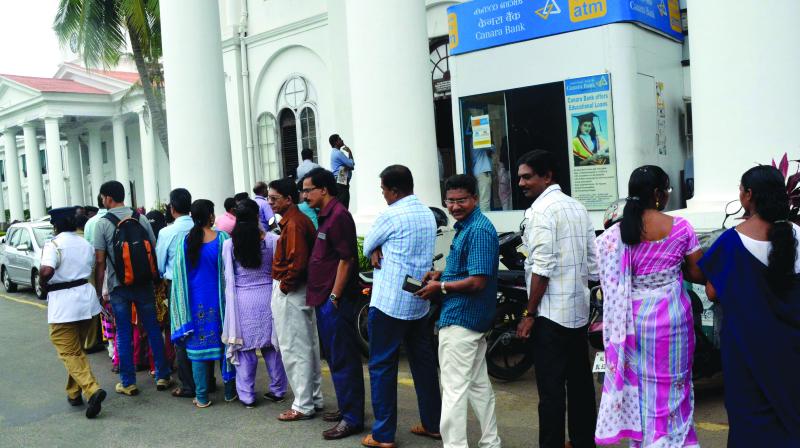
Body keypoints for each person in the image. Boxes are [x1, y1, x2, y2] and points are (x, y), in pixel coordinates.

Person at [594, 166, 705, 447]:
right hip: (672, 319)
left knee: (641, 388)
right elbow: (697, 273)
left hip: (632, 322)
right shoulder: (680, 227)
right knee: (675, 385)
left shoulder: (616, 233)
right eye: (667, 191)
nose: (667, 196)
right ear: (657, 194)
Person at [699, 165, 800, 446]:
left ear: (749, 196)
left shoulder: (732, 241)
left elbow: (712, 291)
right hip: (792, 350)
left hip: (747, 353)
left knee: (751, 424)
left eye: (740, 189)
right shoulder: (797, 234)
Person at [515, 150, 598, 448]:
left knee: (550, 393)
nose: (521, 183)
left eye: (527, 177)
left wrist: (529, 313)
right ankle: (582, 442)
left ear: (547, 176)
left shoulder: (541, 212)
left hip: (549, 316)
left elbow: (542, 267)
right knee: (580, 387)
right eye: (520, 177)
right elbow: (593, 264)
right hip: (577, 311)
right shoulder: (577, 207)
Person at [415, 174, 501, 448]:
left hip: (462, 319)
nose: (454, 206)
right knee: (478, 386)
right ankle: (490, 442)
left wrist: (440, 287)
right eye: (450, 201)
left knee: (453, 391)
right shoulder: (468, 227)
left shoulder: (478, 230)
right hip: (471, 320)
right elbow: (469, 270)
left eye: (461, 200)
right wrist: (442, 273)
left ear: (475, 199)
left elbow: (478, 281)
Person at [361, 165, 442, 448]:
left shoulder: (390, 215)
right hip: (418, 300)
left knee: (382, 366)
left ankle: (383, 435)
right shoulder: (427, 213)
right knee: (424, 364)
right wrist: (376, 249)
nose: (382, 195)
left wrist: (373, 248)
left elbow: (366, 245)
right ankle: (433, 423)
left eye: (383, 189)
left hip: (389, 303)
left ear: (394, 190)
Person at [93, 181, 172, 396]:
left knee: (124, 332)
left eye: (103, 197)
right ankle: (163, 375)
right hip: (144, 283)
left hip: (119, 286)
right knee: (153, 327)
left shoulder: (103, 224)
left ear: (108, 198)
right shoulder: (140, 218)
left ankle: (128, 382)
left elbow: (100, 261)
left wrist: (99, 290)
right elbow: (153, 248)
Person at [304, 167, 365, 440]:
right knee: (335, 358)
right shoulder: (325, 216)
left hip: (335, 301)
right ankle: (345, 408)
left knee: (344, 359)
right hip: (325, 298)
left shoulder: (339, 216)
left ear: (324, 189)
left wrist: (334, 296)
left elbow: (346, 259)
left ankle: (352, 418)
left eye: (308, 190)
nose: (304, 195)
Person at [221, 198, 288, 408]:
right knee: (271, 348)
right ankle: (278, 390)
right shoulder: (272, 240)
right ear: (257, 216)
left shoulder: (229, 244)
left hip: (242, 300)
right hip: (268, 298)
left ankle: (247, 396)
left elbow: (228, 275)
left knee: (245, 351)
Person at [40, 206, 106, 419]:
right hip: (86, 302)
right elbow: (95, 267)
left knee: (68, 352)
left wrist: (42, 281)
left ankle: (92, 389)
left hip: (64, 305)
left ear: (57, 224)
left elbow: (47, 270)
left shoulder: (54, 244)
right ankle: (73, 393)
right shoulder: (85, 243)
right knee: (76, 350)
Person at [268, 177, 325, 422]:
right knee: (307, 345)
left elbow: (297, 262)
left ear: (288, 199)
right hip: (297, 289)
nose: (270, 202)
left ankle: (303, 404)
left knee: (294, 348)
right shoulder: (296, 221)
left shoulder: (293, 224)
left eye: (274, 198)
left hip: (292, 290)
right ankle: (313, 398)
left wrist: (285, 286)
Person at [169, 199, 236, 408]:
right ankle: (229, 392)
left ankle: (202, 396)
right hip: (220, 302)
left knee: (198, 351)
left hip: (194, 303)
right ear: (211, 216)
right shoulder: (223, 238)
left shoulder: (186, 241)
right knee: (225, 346)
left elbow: (179, 276)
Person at [156, 188, 210, 399]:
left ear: (172, 208)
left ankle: (188, 385)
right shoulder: (202, 228)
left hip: (175, 286)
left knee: (180, 332)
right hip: (201, 284)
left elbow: (160, 264)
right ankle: (207, 381)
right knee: (203, 327)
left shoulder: (166, 232)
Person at [329, 134, 354, 209]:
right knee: (344, 202)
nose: (342, 140)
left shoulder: (335, 152)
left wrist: (350, 165)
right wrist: (350, 152)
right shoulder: (338, 153)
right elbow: (351, 164)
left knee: (343, 201)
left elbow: (351, 165)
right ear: (336, 142)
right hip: (341, 177)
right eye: (340, 139)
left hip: (341, 177)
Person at [470, 139, 493, 212]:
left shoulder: (473, 140)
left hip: (478, 171)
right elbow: (492, 147)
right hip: (483, 171)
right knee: (485, 199)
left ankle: (479, 217)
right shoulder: (478, 139)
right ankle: (485, 219)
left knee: (480, 198)